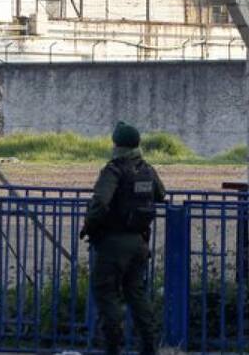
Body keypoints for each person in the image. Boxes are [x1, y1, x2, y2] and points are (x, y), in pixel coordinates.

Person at [81, 122, 165, 355]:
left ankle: (113, 347)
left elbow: (100, 202)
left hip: (113, 243)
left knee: (107, 293)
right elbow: (161, 194)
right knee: (136, 294)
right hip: (139, 243)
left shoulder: (114, 170)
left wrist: (88, 226)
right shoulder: (147, 169)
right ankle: (149, 346)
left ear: (116, 144)